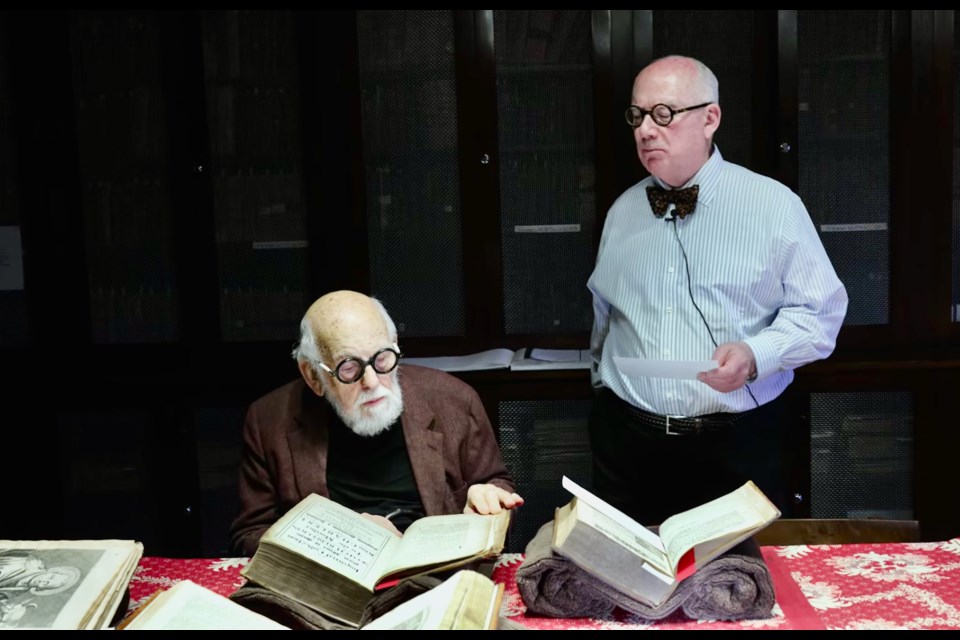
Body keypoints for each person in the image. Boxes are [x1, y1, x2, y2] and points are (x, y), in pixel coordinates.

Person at [587, 55, 848, 525]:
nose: (646, 129)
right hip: (627, 446)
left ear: (710, 118)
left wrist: (754, 354)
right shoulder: (623, 210)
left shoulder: (773, 205)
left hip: (735, 445)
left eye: (664, 114)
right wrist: (603, 386)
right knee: (625, 588)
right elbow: (604, 317)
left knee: (740, 587)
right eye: (638, 115)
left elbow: (820, 314)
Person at [230, 290, 524, 557]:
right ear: (312, 376)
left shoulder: (455, 400)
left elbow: (497, 485)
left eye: (383, 359)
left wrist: (489, 501)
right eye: (348, 368)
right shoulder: (268, 420)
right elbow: (249, 536)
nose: (371, 382)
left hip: (435, 575)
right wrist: (343, 538)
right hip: (335, 588)